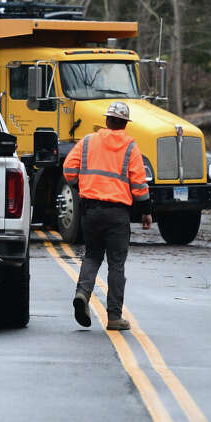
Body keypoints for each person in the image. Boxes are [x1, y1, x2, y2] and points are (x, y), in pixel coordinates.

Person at [62, 101, 152, 331]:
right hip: (117, 214)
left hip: (90, 210)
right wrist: (146, 212)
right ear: (124, 124)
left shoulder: (88, 141)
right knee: (116, 265)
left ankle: (82, 294)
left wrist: (82, 186)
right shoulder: (131, 147)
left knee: (92, 256)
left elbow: (68, 169)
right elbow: (140, 185)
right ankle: (114, 317)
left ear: (106, 121)